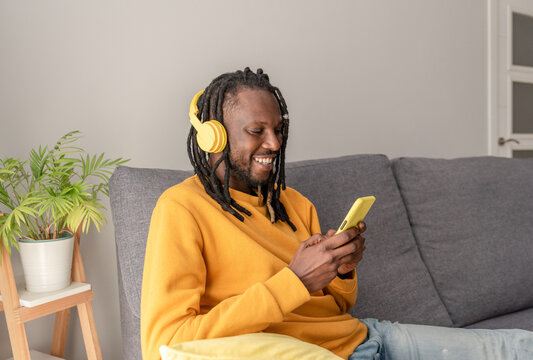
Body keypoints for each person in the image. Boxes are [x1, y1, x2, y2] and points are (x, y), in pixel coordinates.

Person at [141, 67, 533, 360]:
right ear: (214, 137)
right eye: (257, 130)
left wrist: (341, 270)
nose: (274, 143)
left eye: (278, 129)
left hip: (368, 336)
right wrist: (294, 279)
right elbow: (168, 339)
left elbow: (339, 307)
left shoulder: (293, 202)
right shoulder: (182, 209)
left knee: (517, 345)